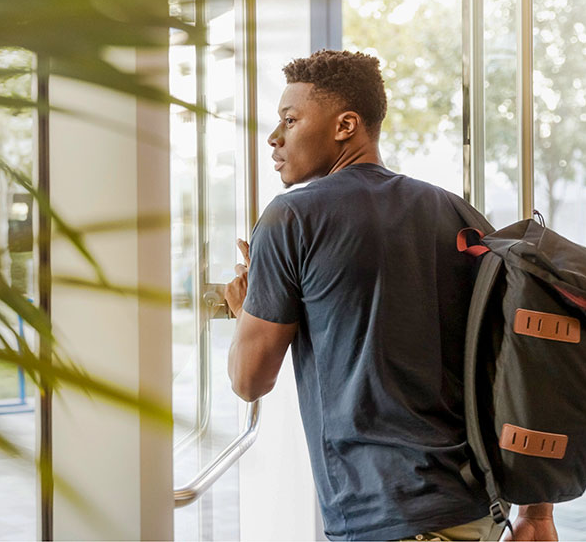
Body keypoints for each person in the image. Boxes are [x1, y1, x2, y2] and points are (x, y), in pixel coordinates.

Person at [222, 50, 558, 541]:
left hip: (388, 516)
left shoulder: (291, 219)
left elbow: (248, 381)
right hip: (478, 507)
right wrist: (538, 513)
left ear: (346, 125)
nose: (275, 138)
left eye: (290, 120)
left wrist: (245, 311)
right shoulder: (458, 214)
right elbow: (518, 361)